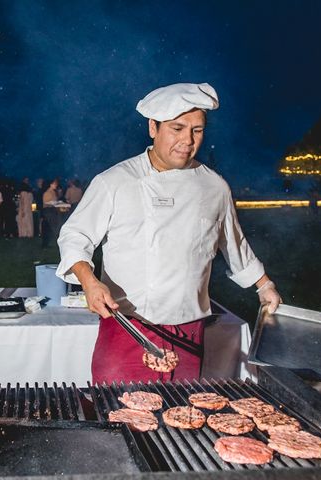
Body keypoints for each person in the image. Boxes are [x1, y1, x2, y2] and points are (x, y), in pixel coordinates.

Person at [56, 83, 282, 384]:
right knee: (118, 418)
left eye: (197, 130)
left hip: (189, 331)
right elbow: (75, 237)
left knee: (181, 421)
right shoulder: (115, 181)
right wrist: (89, 281)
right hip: (128, 325)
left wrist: (264, 286)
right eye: (177, 128)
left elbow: (235, 244)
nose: (187, 141)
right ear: (153, 127)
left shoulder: (214, 187)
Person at [41, 178, 61, 248]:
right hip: (48, 211)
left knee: (50, 227)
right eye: (55, 184)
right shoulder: (47, 193)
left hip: (52, 211)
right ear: (51, 184)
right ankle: (45, 244)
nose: (56, 185)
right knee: (48, 228)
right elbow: (46, 202)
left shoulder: (53, 192)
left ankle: (48, 243)